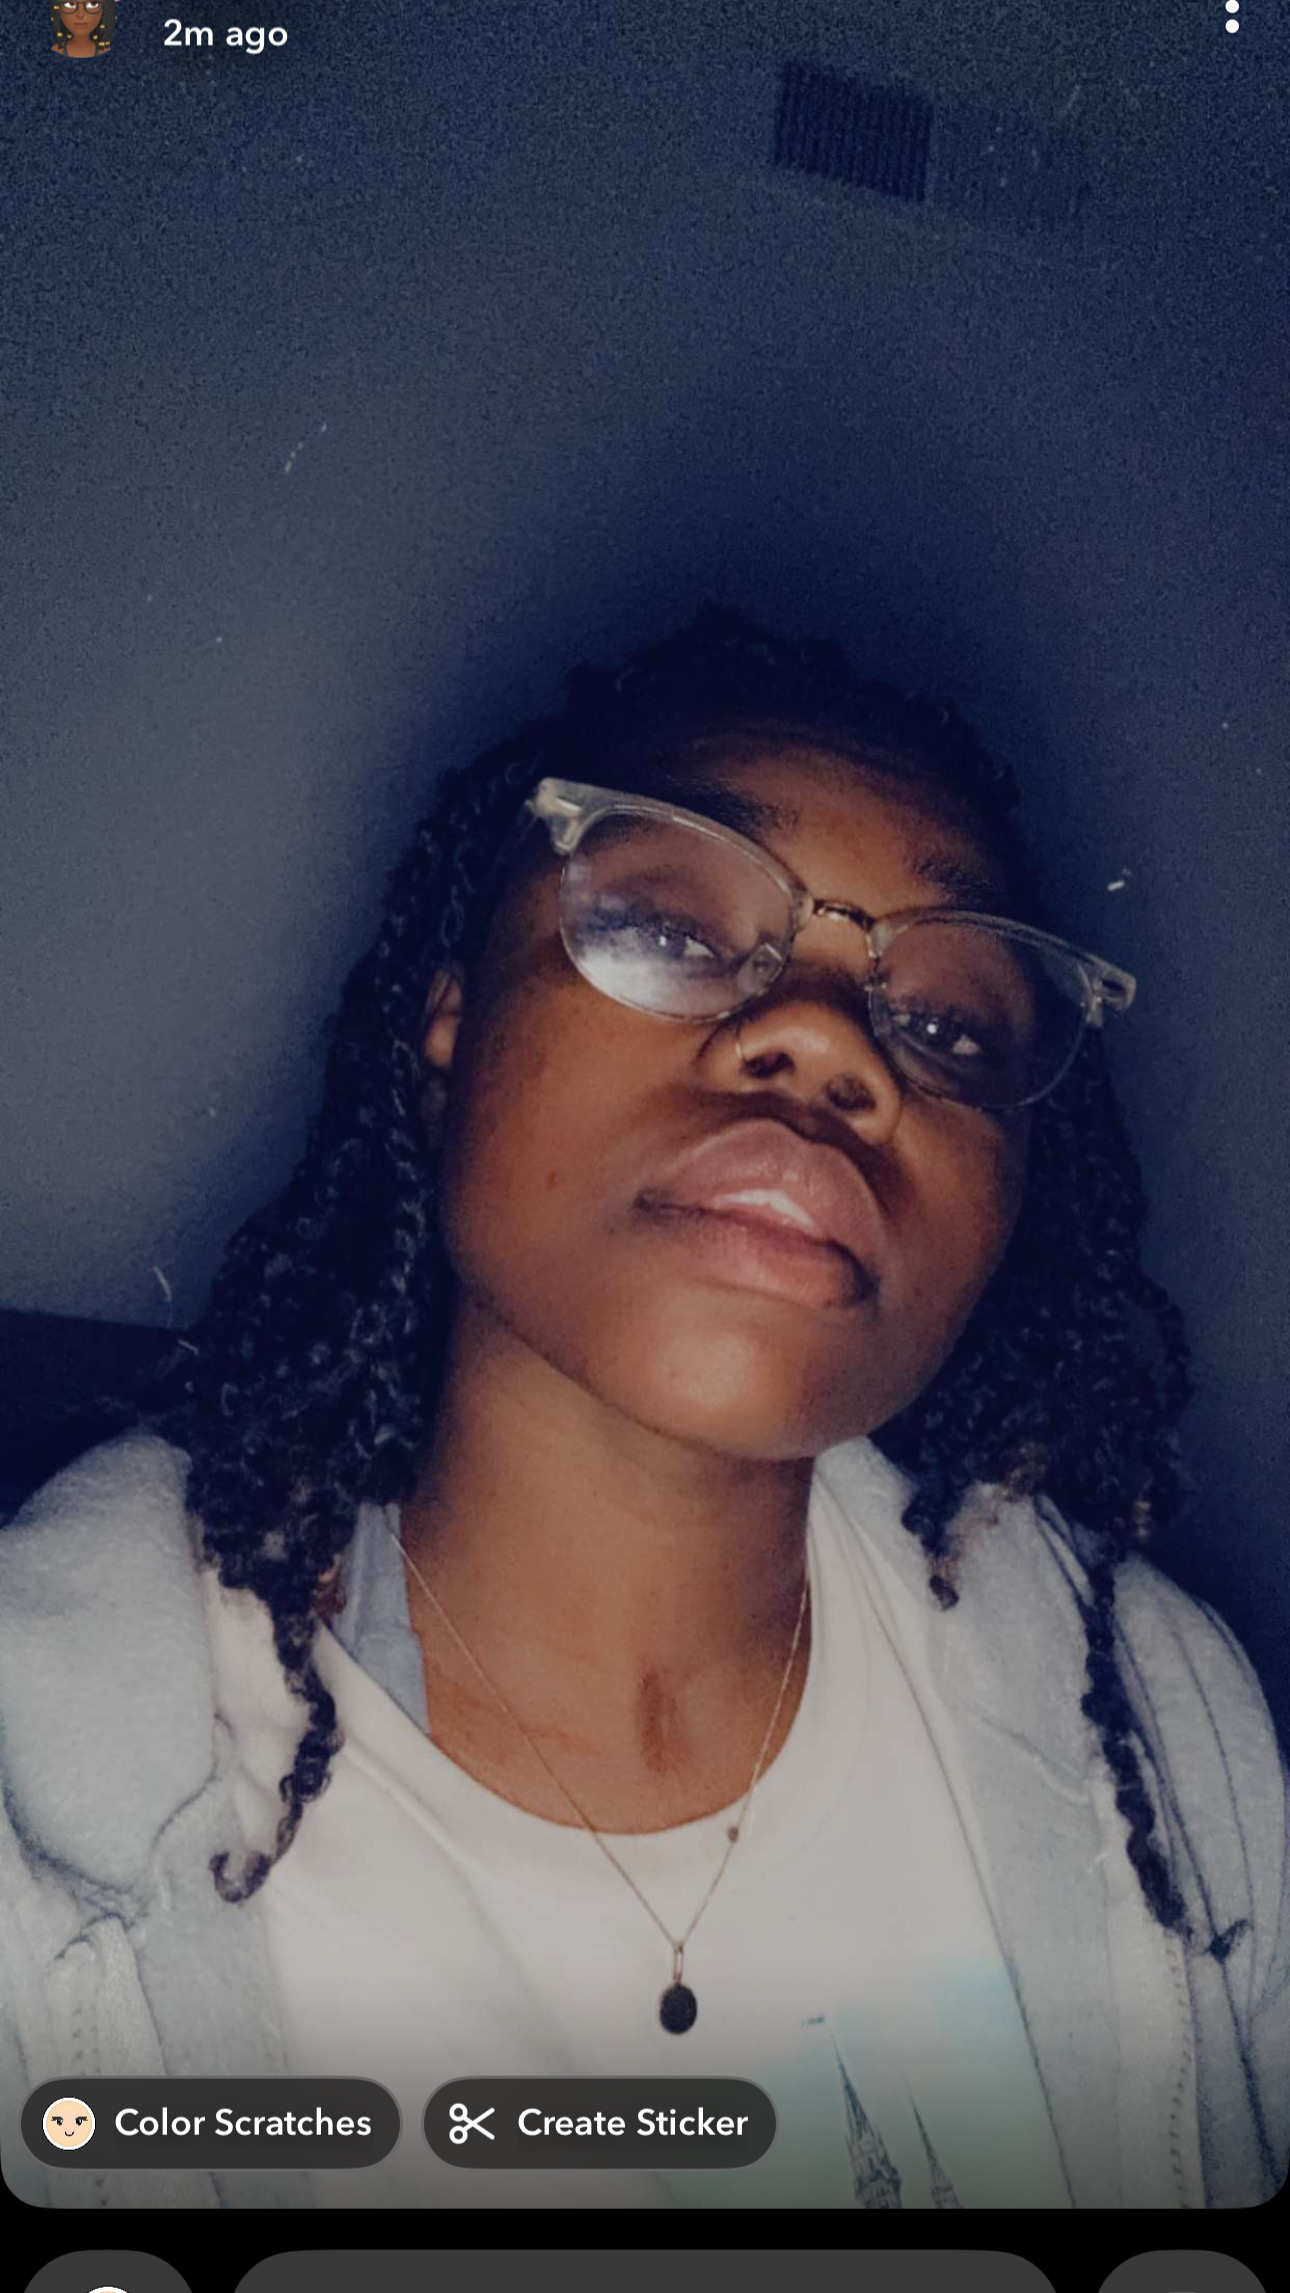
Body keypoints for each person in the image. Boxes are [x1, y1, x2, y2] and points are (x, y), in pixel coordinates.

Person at [0, 604, 1286, 2211]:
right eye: (673, 926)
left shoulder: (1171, 1724)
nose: (823, 1038)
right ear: (450, 1025)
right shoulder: (38, 1800)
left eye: (949, 1022)